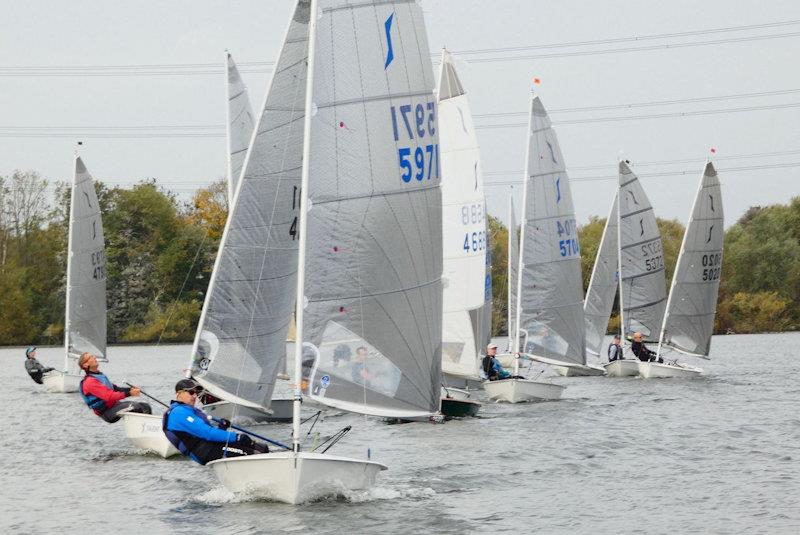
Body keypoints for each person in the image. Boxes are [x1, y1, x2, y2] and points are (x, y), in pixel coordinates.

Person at [162, 379, 268, 465]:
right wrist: (237, 437)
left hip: (212, 447)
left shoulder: (186, 410)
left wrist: (221, 428)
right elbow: (207, 433)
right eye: (191, 392)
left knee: (262, 448)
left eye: (196, 393)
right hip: (206, 452)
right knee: (254, 452)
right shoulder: (179, 413)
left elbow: (203, 434)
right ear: (178, 394)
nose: (195, 396)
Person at [78, 352, 152, 423]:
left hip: (115, 406)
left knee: (145, 406)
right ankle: (140, 429)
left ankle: (147, 428)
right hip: (107, 412)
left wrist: (131, 389)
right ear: (85, 365)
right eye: (90, 357)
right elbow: (110, 396)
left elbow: (116, 389)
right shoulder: (89, 382)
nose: (94, 357)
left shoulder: (99, 376)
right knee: (135, 407)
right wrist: (130, 393)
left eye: (93, 356)